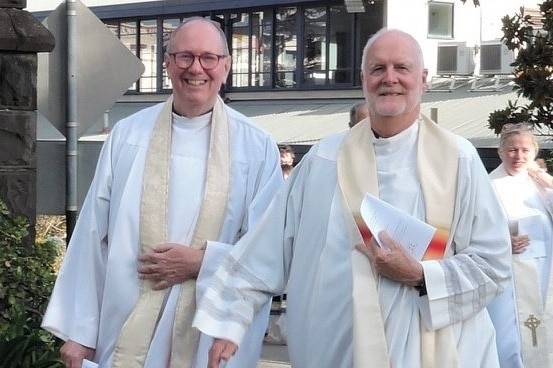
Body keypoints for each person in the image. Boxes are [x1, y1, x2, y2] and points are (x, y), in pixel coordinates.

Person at [193, 28, 512, 368]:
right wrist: (229, 323)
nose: (390, 78)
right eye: (378, 69)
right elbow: (265, 248)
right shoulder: (323, 160)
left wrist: (420, 275)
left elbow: (493, 264)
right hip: (333, 351)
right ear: (363, 79)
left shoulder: (458, 160)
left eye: (401, 68)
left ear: (423, 79)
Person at [41, 17, 284, 368]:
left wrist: (202, 262)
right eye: (184, 57)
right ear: (167, 64)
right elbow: (93, 235)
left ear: (226, 67)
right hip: (124, 323)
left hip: (208, 332)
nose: (195, 68)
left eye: (208, 58)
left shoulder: (255, 147)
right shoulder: (128, 136)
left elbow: (269, 247)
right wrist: (80, 332)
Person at [488, 122, 553, 367]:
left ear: (535, 152)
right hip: (510, 273)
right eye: (512, 150)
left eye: (525, 150)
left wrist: (545, 179)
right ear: (501, 152)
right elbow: (475, 230)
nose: (519, 156)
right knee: (511, 341)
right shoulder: (488, 186)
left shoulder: (540, 183)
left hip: (546, 269)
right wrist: (503, 241)